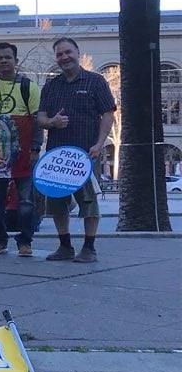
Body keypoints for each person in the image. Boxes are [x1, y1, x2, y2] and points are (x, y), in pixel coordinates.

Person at [37, 37, 116, 263]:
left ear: (77, 52)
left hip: (86, 154)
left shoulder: (96, 81)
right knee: (57, 203)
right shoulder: (51, 86)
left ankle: (89, 248)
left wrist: (100, 144)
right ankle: (65, 246)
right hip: (56, 156)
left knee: (89, 202)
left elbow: (108, 112)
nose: (64, 57)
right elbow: (40, 117)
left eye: (68, 52)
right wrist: (52, 122)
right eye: (59, 54)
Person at [0, 42, 42, 257]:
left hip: (23, 153)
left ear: (16, 60)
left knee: (26, 201)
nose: (3, 61)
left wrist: (35, 148)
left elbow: (38, 119)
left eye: (7, 57)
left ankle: (25, 242)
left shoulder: (28, 87)